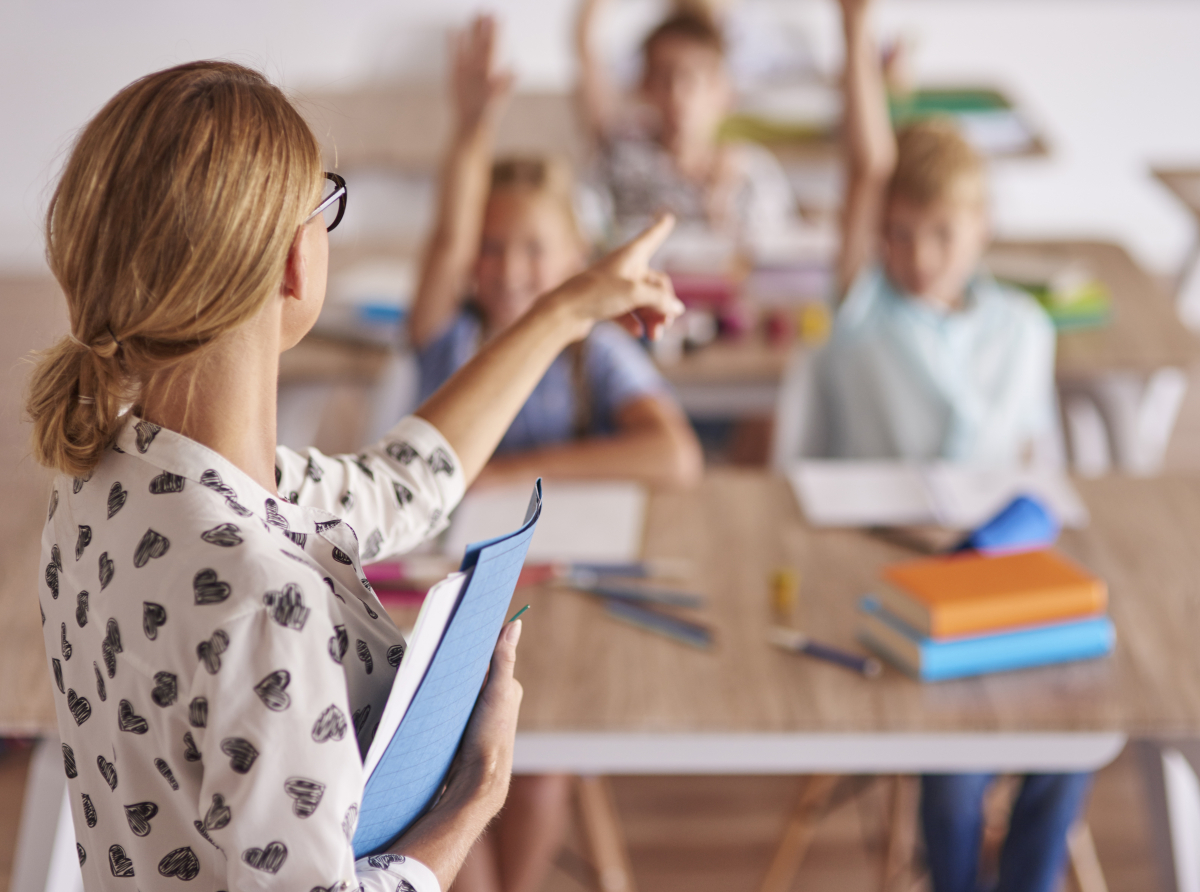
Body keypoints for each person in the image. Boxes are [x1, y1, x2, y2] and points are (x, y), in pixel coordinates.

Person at [27, 59, 682, 892]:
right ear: (294, 263)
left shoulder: (110, 476)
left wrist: (566, 309)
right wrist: (475, 796)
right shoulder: (268, 601)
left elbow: (402, 482)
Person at [813, 2, 1090, 891]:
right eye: (897, 233)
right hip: (894, 567)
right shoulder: (866, 311)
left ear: (982, 227)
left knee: (1077, 735)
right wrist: (856, 41)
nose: (916, 254)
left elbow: (1038, 462)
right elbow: (867, 166)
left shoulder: (1021, 327)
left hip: (997, 570)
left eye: (939, 233)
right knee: (958, 753)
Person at [411, 15, 703, 492]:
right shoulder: (448, 338)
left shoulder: (596, 351)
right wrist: (471, 127)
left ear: (576, 257)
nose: (510, 270)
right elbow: (449, 238)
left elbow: (676, 456)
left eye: (534, 249)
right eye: (489, 247)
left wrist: (506, 477)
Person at [575, 0, 798, 245]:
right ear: (644, 85)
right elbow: (587, 236)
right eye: (663, 78)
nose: (677, 95)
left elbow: (772, 255)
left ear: (722, 89)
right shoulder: (619, 158)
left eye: (692, 79)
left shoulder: (752, 174)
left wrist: (721, 201)